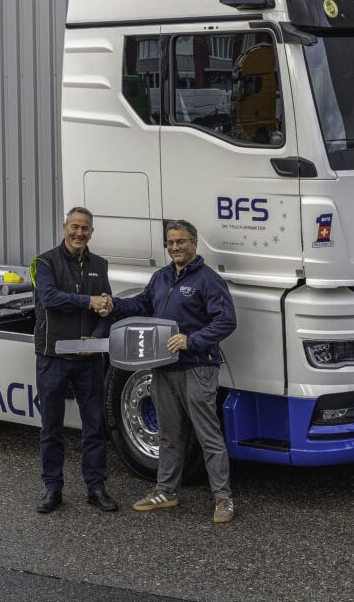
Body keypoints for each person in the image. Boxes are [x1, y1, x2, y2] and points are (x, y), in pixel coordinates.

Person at [112, 219, 237, 523]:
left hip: (197, 367)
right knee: (169, 434)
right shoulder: (161, 277)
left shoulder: (209, 280)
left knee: (208, 434)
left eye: (181, 241)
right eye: (170, 243)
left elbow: (226, 321)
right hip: (164, 366)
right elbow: (142, 304)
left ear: (194, 243)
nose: (175, 247)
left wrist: (191, 341)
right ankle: (166, 491)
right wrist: (112, 305)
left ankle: (223, 498)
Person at [30, 206, 118, 514]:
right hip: (53, 356)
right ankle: (52, 489)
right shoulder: (43, 263)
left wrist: (96, 337)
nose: (79, 233)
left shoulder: (99, 264)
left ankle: (96, 488)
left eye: (85, 228)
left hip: (89, 359)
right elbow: (50, 298)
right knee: (51, 427)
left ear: (92, 232)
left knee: (94, 426)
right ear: (64, 227)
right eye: (75, 227)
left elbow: (107, 308)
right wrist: (89, 301)